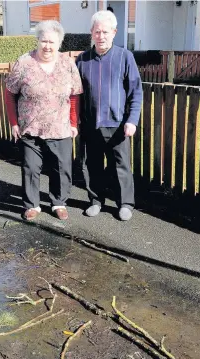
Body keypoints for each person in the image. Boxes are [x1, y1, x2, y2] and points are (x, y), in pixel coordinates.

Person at [4, 21, 83, 221]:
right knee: (30, 167)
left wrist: (74, 123)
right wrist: (14, 122)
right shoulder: (24, 63)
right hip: (30, 127)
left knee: (61, 167)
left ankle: (58, 203)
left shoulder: (68, 64)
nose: (47, 46)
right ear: (37, 40)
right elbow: (10, 93)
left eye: (52, 42)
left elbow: (75, 95)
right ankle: (32, 205)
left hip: (60, 127)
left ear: (59, 43)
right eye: (43, 40)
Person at [76, 10, 142, 221]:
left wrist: (132, 120)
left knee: (120, 166)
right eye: (97, 32)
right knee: (92, 165)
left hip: (117, 124)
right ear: (91, 33)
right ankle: (96, 201)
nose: (101, 36)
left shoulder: (125, 57)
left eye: (105, 32)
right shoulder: (82, 60)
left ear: (114, 32)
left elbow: (135, 92)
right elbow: (74, 94)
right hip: (90, 124)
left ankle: (125, 204)